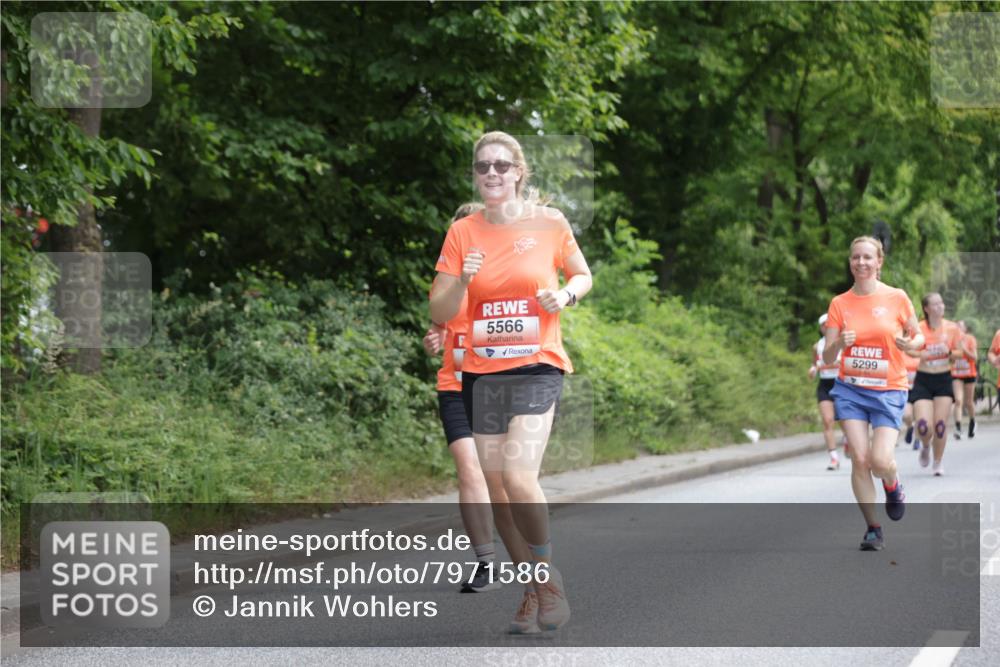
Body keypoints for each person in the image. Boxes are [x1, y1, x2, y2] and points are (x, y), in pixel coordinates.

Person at [429, 131, 592, 633]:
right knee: (499, 492)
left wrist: (564, 297)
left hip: (538, 364)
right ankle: (533, 588)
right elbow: (438, 309)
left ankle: (548, 580)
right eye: (483, 167)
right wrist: (461, 279)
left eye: (502, 165)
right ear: (475, 176)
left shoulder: (549, 223)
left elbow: (582, 274)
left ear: (519, 171)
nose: (492, 174)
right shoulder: (463, 233)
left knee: (520, 478)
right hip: (481, 375)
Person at [422, 202, 506, 593]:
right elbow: (437, 329)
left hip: (498, 386)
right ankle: (486, 562)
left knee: (501, 480)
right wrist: (434, 339)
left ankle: (527, 553)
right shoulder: (446, 284)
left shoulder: (506, 281)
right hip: (455, 385)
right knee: (469, 470)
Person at [822, 236, 923, 551]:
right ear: (850, 262)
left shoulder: (897, 297)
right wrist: (839, 343)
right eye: (856, 258)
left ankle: (892, 486)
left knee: (880, 461)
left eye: (867, 257)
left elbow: (917, 336)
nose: (861, 263)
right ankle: (873, 528)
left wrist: (910, 344)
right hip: (850, 389)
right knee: (860, 459)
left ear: (879, 262)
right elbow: (827, 357)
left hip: (888, 389)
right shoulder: (840, 303)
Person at [910, 293, 962, 476]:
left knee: (940, 425)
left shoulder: (952, 328)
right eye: (935, 304)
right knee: (924, 425)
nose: (940, 306)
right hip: (923, 379)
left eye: (941, 302)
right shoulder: (919, 328)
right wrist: (920, 355)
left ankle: (938, 462)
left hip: (943, 379)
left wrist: (948, 352)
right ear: (926, 308)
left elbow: (960, 352)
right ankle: (925, 445)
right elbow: (909, 349)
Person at [809, 314, 843, 469]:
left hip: (842, 384)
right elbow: (815, 364)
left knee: (845, 421)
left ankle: (849, 442)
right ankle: (834, 457)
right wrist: (813, 370)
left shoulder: (842, 342)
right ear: (820, 328)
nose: (826, 327)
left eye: (829, 324)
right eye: (823, 325)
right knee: (828, 420)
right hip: (825, 385)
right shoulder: (817, 346)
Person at [950, 320, 978, 439]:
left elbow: (974, 357)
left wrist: (964, 349)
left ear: (965, 329)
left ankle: (972, 421)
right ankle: (958, 427)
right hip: (956, 374)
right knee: (958, 400)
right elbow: (950, 357)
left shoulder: (970, 339)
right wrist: (953, 354)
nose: (959, 328)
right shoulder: (951, 340)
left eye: (961, 326)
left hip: (969, 374)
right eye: (957, 326)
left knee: (968, 402)